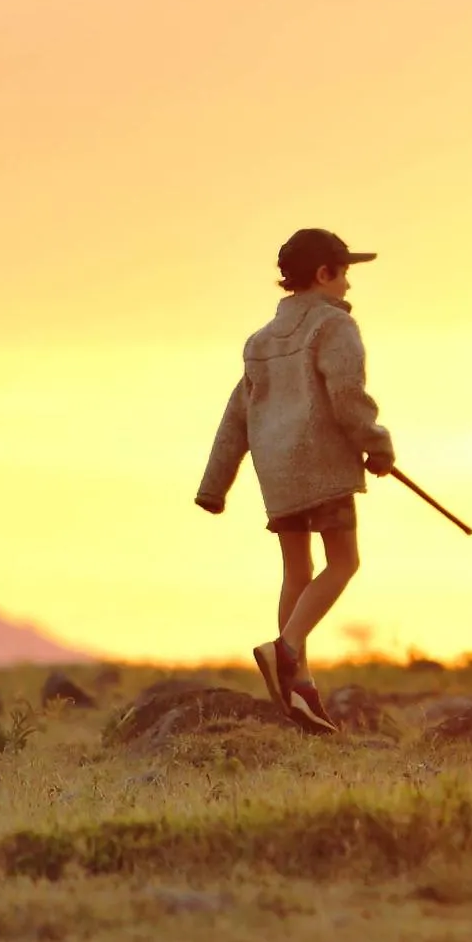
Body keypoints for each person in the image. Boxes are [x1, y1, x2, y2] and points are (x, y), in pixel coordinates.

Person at [195, 226, 397, 732]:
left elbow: (236, 413)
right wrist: (376, 446)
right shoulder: (334, 327)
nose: (348, 285)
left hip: (277, 473)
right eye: (344, 273)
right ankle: (286, 652)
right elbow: (348, 395)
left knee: (297, 572)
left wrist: (213, 486)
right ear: (323, 274)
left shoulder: (259, 341)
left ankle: (298, 686)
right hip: (322, 468)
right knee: (345, 561)